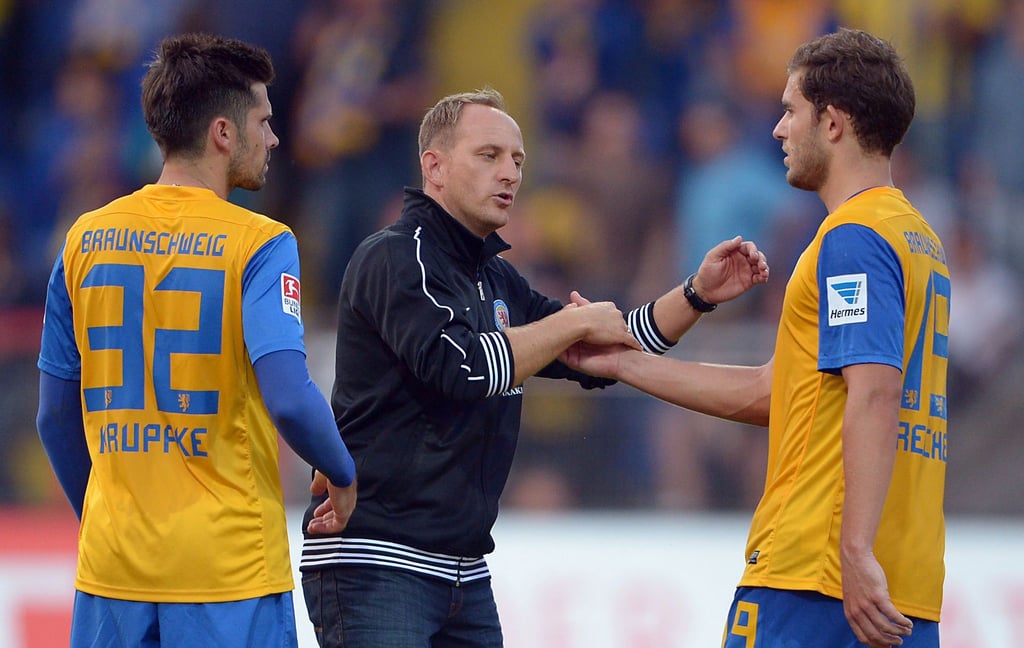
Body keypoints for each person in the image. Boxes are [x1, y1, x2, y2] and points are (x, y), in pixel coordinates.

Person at [298, 87, 769, 647]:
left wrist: (696, 294)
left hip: (463, 570)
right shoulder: (398, 256)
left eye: (518, 160)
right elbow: (466, 370)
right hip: (377, 561)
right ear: (435, 166)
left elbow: (606, 349)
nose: (510, 174)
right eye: (489, 155)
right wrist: (572, 325)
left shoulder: (496, 278)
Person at [563, 29, 949, 648]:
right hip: (903, 588)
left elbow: (876, 392)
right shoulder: (918, 240)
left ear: (833, 123)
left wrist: (854, 549)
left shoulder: (852, 238)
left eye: (791, 110)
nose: (778, 129)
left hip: (816, 575)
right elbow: (777, 393)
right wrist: (623, 364)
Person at [35, 33, 358, 647]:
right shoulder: (260, 243)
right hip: (227, 573)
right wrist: (342, 471)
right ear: (223, 133)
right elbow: (290, 397)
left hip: (111, 574)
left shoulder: (82, 240)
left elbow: (54, 416)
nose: (274, 138)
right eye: (264, 121)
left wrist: (104, 524)